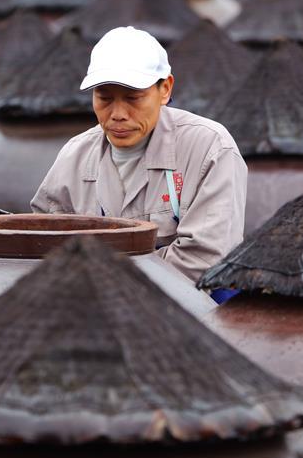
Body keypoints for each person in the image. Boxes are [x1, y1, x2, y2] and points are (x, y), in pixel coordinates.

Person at [31, 26, 247, 290]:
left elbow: (205, 258)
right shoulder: (74, 157)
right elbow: (42, 246)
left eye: (134, 98)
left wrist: (108, 283)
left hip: (192, 310)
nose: (118, 114)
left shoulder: (209, 148)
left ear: (165, 89)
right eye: (104, 98)